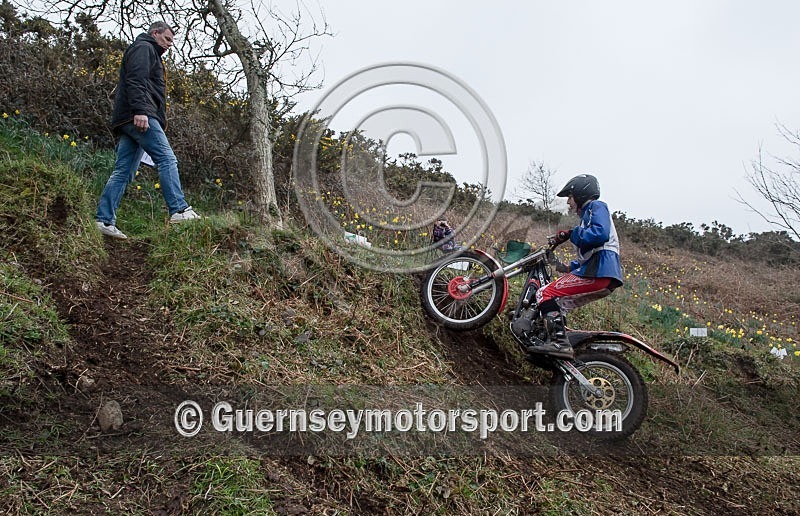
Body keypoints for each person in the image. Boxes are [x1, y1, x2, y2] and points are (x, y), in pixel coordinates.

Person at [95, 21, 200, 239]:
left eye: (172, 41)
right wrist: (141, 111)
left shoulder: (148, 51)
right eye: (167, 39)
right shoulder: (144, 48)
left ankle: (104, 220)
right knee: (166, 158)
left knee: (124, 170)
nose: (170, 44)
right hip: (140, 117)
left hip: (131, 118)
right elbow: (136, 80)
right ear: (155, 33)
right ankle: (179, 209)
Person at [527, 174, 623, 358]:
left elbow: (599, 234)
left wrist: (572, 233)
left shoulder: (596, 206)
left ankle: (559, 343)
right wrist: (558, 264)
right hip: (601, 273)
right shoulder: (587, 218)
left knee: (544, 293)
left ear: (580, 194)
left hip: (600, 271)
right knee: (558, 304)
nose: (568, 202)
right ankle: (551, 344)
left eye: (570, 197)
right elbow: (586, 257)